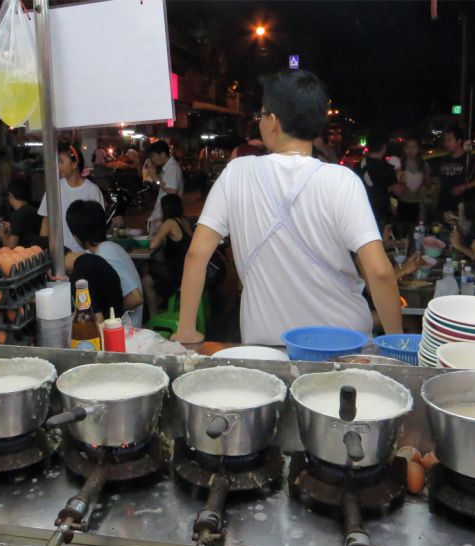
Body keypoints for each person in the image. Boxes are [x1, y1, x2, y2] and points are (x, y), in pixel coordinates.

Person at [171, 69, 403, 346]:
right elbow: (379, 272)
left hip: (266, 348)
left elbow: (197, 254)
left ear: (274, 122)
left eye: (262, 115)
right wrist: (397, 345)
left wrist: (186, 330)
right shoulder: (341, 181)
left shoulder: (236, 173)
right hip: (343, 345)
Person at [65, 200, 144, 327]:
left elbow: (136, 298)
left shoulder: (105, 254)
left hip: (125, 330)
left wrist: (106, 308)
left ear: (76, 235)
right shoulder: (110, 247)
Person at [38, 145, 105, 253]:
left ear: (74, 164)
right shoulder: (54, 188)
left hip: (86, 254)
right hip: (59, 254)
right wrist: (44, 249)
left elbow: (98, 226)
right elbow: (46, 221)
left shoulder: (92, 190)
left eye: (61, 162)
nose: (58, 166)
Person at [142, 194, 192, 318]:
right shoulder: (184, 221)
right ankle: (161, 301)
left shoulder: (169, 223)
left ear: (166, 208)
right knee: (150, 268)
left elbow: (152, 245)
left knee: (146, 278)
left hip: (178, 274)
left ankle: (153, 315)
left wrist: (156, 230)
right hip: (188, 271)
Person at [431, 126, 475, 217]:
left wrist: (463, 187)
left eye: (449, 140)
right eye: (445, 140)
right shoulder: (444, 159)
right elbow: (439, 181)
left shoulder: (469, 160)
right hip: (443, 205)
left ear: (459, 141)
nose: (446, 143)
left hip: (461, 205)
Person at [359, 133, 404, 231]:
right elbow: (399, 192)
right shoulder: (386, 168)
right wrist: (401, 178)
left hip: (362, 212)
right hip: (381, 213)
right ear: (384, 148)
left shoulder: (358, 166)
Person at [395, 136, 430, 237]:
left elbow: (427, 183)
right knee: (400, 235)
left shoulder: (423, 164)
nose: (410, 150)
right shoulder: (399, 164)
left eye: (414, 147)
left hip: (416, 206)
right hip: (401, 204)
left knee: (415, 236)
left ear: (418, 149)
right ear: (404, 148)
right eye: (407, 147)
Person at [144, 140, 183, 228]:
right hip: (161, 216)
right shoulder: (167, 168)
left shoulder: (173, 168)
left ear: (163, 154)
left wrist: (156, 178)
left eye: (153, 156)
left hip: (165, 217)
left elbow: (172, 191)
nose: (153, 160)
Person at [0, 178, 42, 250]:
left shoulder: (17, 215)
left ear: (11, 195)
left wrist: (2, 235)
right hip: (38, 254)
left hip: (24, 255)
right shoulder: (36, 211)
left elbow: (11, 247)